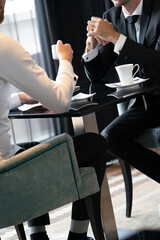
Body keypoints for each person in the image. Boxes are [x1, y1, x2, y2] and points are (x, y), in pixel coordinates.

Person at [0, 1, 108, 240]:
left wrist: (21, 97)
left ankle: (37, 234)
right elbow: (60, 101)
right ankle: (78, 236)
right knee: (95, 144)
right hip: (7, 177)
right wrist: (65, 60)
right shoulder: (2, 44)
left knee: (29, 148)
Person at [82, 0, 160, 183]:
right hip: (146, 103)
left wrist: (116, 37)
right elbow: (97, 75)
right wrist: (91, 47)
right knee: (108, 138)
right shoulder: (112, 17)